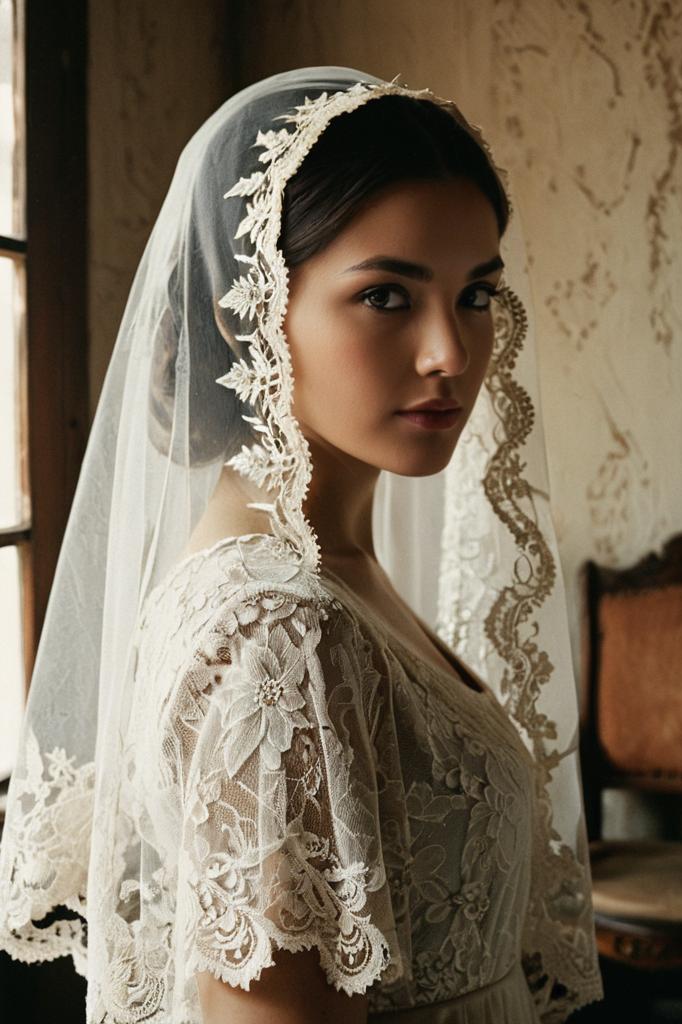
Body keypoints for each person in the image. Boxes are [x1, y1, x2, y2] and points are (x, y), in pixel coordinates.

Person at [0, 67, 603, 1022]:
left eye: (477, 295)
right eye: (387, 298)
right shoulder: (278, 633)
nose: (452, 351)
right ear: (254, 315)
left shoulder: (335, 571)